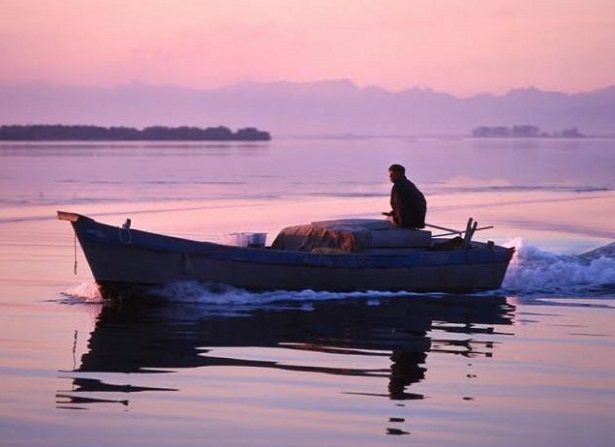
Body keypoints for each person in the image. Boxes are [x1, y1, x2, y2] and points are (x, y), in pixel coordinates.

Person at [384, 163, 427, 229]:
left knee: (385, 224)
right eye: (390, 174)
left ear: (399, 174)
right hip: (416, 221)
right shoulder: (408, 184)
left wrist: (402, 223)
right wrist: (394, 212)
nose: (390, 176)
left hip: (408, 223)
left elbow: (402, 206)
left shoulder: (399, 187)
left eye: (392, 174)